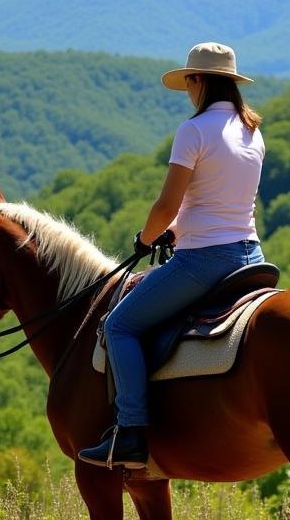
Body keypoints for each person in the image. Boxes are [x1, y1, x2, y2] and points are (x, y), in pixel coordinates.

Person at [79, 41, 266, 469]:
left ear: (198, 81)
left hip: (205, 260)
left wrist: (148, 238)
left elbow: (166, 205)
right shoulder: (252, 131)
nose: (187, 90)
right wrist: (176, 229)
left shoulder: (193, 131)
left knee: (119, 324)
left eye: (188, 82)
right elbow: (221, 203)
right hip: (251, 257)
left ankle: (130, 433)